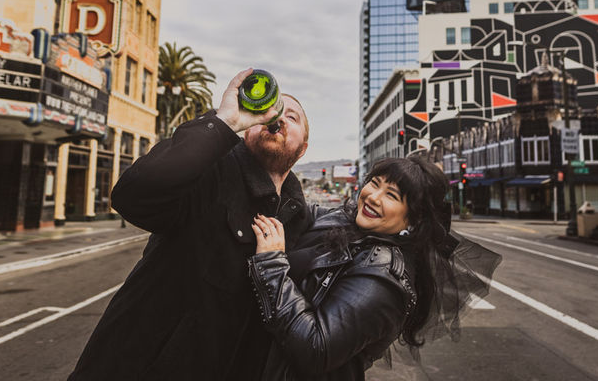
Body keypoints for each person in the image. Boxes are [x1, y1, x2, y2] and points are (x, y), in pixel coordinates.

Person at [68, 69, 311, 380]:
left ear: (303, 148)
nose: (278, 118)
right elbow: (132, 196)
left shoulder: (299, 222)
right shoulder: (208, 171)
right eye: (273, 110)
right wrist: (225, 122)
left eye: (292, 117)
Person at [247, 155, 501, 380]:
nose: (373, 196)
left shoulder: (383, 279)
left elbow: (316, 348)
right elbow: (295, 209)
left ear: (414, 218)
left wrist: (271, 264)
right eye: (374, 183)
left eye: (391, 195)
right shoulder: (349, 221)